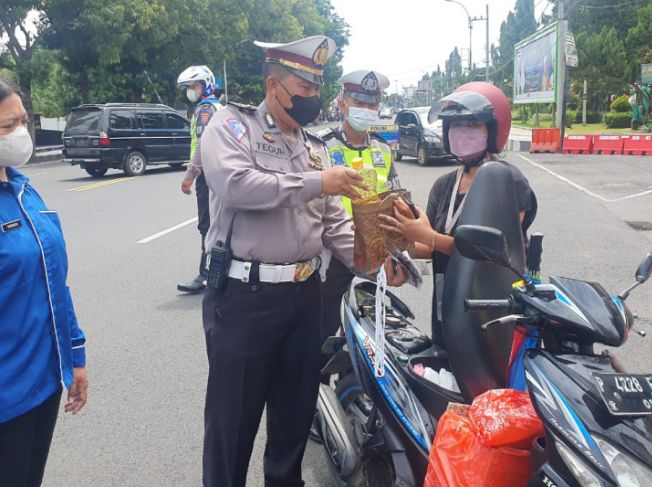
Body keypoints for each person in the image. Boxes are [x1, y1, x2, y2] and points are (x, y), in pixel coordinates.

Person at [198, 36, 406, 486]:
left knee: (293, 421)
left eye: (317, 88)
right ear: (275, 85)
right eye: (306, 89)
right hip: (245, 300)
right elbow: (238, 186)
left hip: (305, 297)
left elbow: (336, 228)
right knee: (231, 427)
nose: (316, 98)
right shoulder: (232, 127)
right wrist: (316, 183)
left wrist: (378, 264)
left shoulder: (313, 149)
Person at [380, 82, 537, 347]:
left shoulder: (506, 180)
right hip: (448, 304)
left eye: (471, 125)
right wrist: (397, 249)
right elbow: (429, 246)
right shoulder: (444, 185)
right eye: (454, 125)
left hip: (492, 310)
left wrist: (430, 237)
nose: (460, 133)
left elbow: (498, 254)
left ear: (493, 130)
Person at [0, 77, 88, 486]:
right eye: (7, 126)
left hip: (44, 381)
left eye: (21, 121)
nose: (20, 133)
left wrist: (75, 356)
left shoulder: (23, 190)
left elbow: (55, 282)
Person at [318, 69, 400, 363]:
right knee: (324, 330)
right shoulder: (323, 146)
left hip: (373, 250)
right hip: (333, 253)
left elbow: (394, 196)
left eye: (371, 105)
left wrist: (397, 247)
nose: (365, 111)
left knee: (372, 326)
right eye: (359, 104)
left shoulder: (383, 148)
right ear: (342, 104)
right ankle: (318, 392)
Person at [176, 65, 221, 293]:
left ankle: (206, 275)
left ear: (206, 85)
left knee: (207, 225)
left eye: (193, 86)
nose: (190, 91)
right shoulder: (217, 107)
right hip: (218, 173)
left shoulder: (205, 110)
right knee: (216, 223)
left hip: (206, 174)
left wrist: (189, 175)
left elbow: (202, 145)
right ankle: (217, 273)